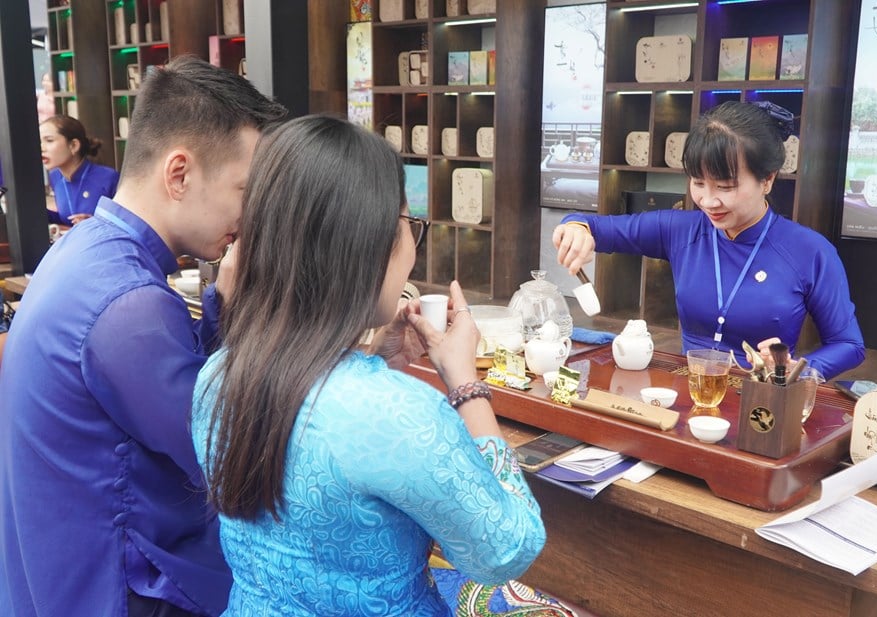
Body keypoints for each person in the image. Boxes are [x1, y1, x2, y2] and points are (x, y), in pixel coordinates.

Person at [191, 115, 546, 615]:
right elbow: (505, 549)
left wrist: (373, 359)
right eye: (408, 226)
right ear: (367, 246)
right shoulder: (402, 413)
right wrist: (465, 383)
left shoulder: (217, 375)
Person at [0, 56, 286, 617]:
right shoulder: (129, 303)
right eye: (244, 190)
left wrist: (222, 308)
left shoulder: (84, 248)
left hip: (47, 567)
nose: (249, 216)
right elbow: (224, 457)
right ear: (179, 174)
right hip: (111, 587)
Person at [552, 101, 865, 378]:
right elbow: (592, 226)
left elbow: (849, 344)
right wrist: (575, 230)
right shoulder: (680, 230)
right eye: (698, 183)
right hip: (690, 391)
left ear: (767, 179)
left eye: (726, 187)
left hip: (762, 398)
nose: (708, 201)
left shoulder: (810, 251)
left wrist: (795, 369)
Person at [40, 114, 119, 226]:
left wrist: (95, 223)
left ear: (74, 145)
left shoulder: (108, 178)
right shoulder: (55, 176)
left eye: (49, 140)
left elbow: (129, 224)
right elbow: (68, 219)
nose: (41, 148)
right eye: (39, 141)